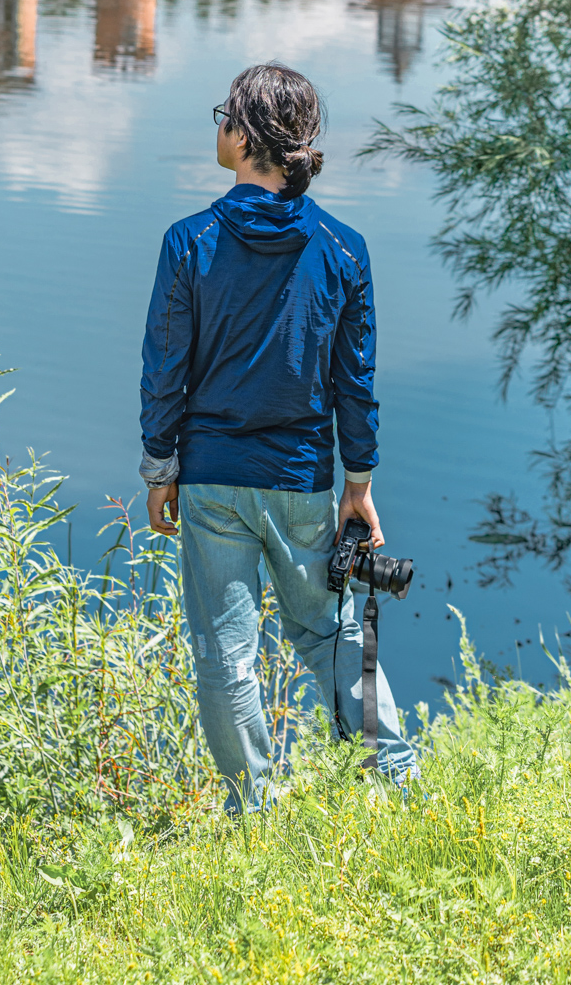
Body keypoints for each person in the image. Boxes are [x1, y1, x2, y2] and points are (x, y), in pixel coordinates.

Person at [138, 60, 417, 811]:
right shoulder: (343, 247)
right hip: (301, 480)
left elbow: (166, 371)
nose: (217, 128)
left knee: (227, 655)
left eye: (222, 116)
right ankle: (394, 785)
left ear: (241, 135)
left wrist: (160, 468)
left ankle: (252, 814)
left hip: (210, 478)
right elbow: (354, 384)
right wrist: (358, 486)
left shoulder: (188, 242)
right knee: (328, 635)